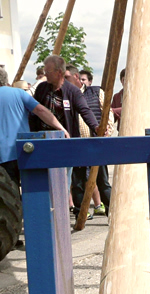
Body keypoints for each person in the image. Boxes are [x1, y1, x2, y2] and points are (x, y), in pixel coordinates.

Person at [0, 66, 68, 185]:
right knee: (31, 189)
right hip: (24, 150)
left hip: (1, 155)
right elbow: (41, 110)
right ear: (6, 79)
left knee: (10, 192)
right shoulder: (19, 93)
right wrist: (61, 128)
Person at [30, 55, 100, 196]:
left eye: (48, 72)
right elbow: (33, 112)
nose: (45, 75)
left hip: (64, 142)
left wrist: (96, 127)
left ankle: (61, 207)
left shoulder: (72, 91)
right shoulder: (42, 88)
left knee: (63, 183)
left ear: (59, 73)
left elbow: (85, 111)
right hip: (43, 142)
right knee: (43, 182)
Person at [72, 69, 113, 217]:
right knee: (78, 182)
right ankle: (80, 213)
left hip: (96, 143)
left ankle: (111, 211)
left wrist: (107, 132)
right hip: (77, 144)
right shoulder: (67, 94)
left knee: (102, 181)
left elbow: (107, 112)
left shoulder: (96, 92)